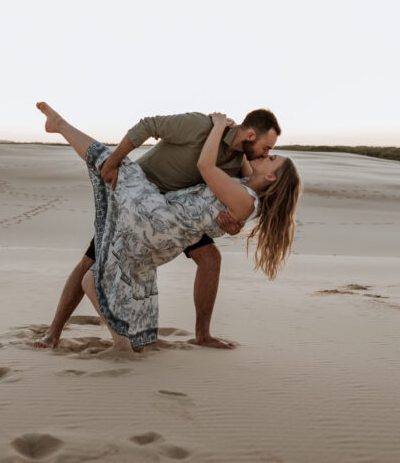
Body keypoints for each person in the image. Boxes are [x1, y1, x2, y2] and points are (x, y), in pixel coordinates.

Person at [35, 102, 301, 353]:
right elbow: (148, 125)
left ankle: (202, 334)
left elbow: (220, 179)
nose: (267, 153)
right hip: (152, 199)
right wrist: (115, 160)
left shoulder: (238, 165)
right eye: (268, 148)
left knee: (209, 258)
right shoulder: (200, 127)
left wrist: (234, 225)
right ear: (252, 136)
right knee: (94, 260)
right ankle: (53, 333)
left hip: (166, 216)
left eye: (270, 154)